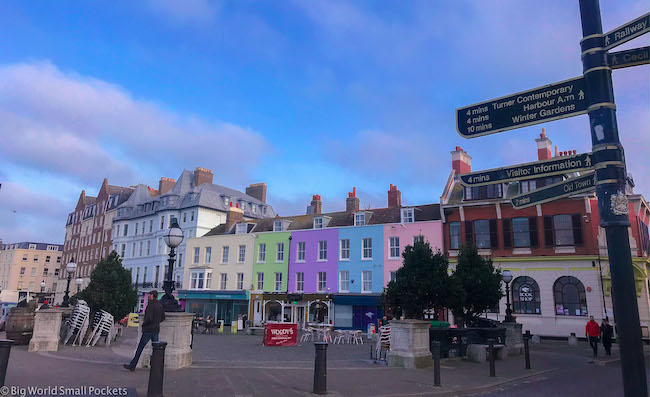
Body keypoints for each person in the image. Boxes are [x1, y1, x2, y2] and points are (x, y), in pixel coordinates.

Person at [123, 290, 165, 371]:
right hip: (156, 329)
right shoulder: (159, 305)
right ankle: (156, 366)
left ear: (152, 295)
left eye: (149, 295)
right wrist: (157, 322)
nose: (148, 296)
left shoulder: (150, 305)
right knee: (156, 349)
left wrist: (144, 324)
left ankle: (132, 365)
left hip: (148, 330)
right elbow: (163, 317)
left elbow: (148, 318)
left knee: (140, 348)